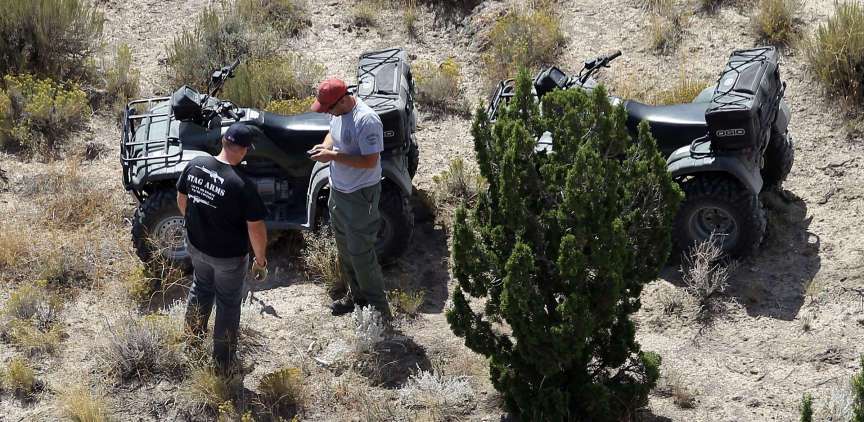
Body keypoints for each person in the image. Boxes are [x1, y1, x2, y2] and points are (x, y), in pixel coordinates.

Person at [176, 122, 269, 371]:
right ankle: (223, 363)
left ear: (223, 141)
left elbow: (182, 198)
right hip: (228, 258)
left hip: (196, 246)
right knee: (228, 304)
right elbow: (256, 228)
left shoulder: (196, 164)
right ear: (245, 150)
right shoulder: (242, 185)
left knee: (201, 288)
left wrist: (196, 225)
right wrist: (260, 261)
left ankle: (192, 343)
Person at [308, 78, 391, 321]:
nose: (328, 113)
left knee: (361, 254)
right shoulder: (338, 112)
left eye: (329, 108)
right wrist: (324, 147)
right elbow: (332, 133)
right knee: (345, 250)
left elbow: (370, 161)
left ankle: (380, 311)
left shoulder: (367, 120)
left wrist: (332, 157)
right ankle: (357, 298)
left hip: (360, 195)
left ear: (343, 100)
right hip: (339, 191)